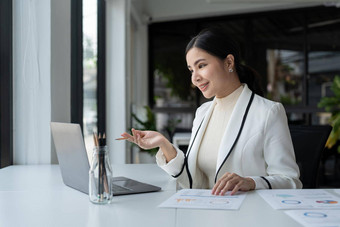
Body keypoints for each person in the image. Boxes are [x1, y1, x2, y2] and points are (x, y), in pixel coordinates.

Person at [118, 27, 302, 195]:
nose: (195, 78)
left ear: (229, 62)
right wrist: (164, 145)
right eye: (191, 70)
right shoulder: (203, 112)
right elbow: (191, 181)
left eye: (201, 66)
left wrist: (250, 182)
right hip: (202, 214)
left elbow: (290, 181)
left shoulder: (268, 112)